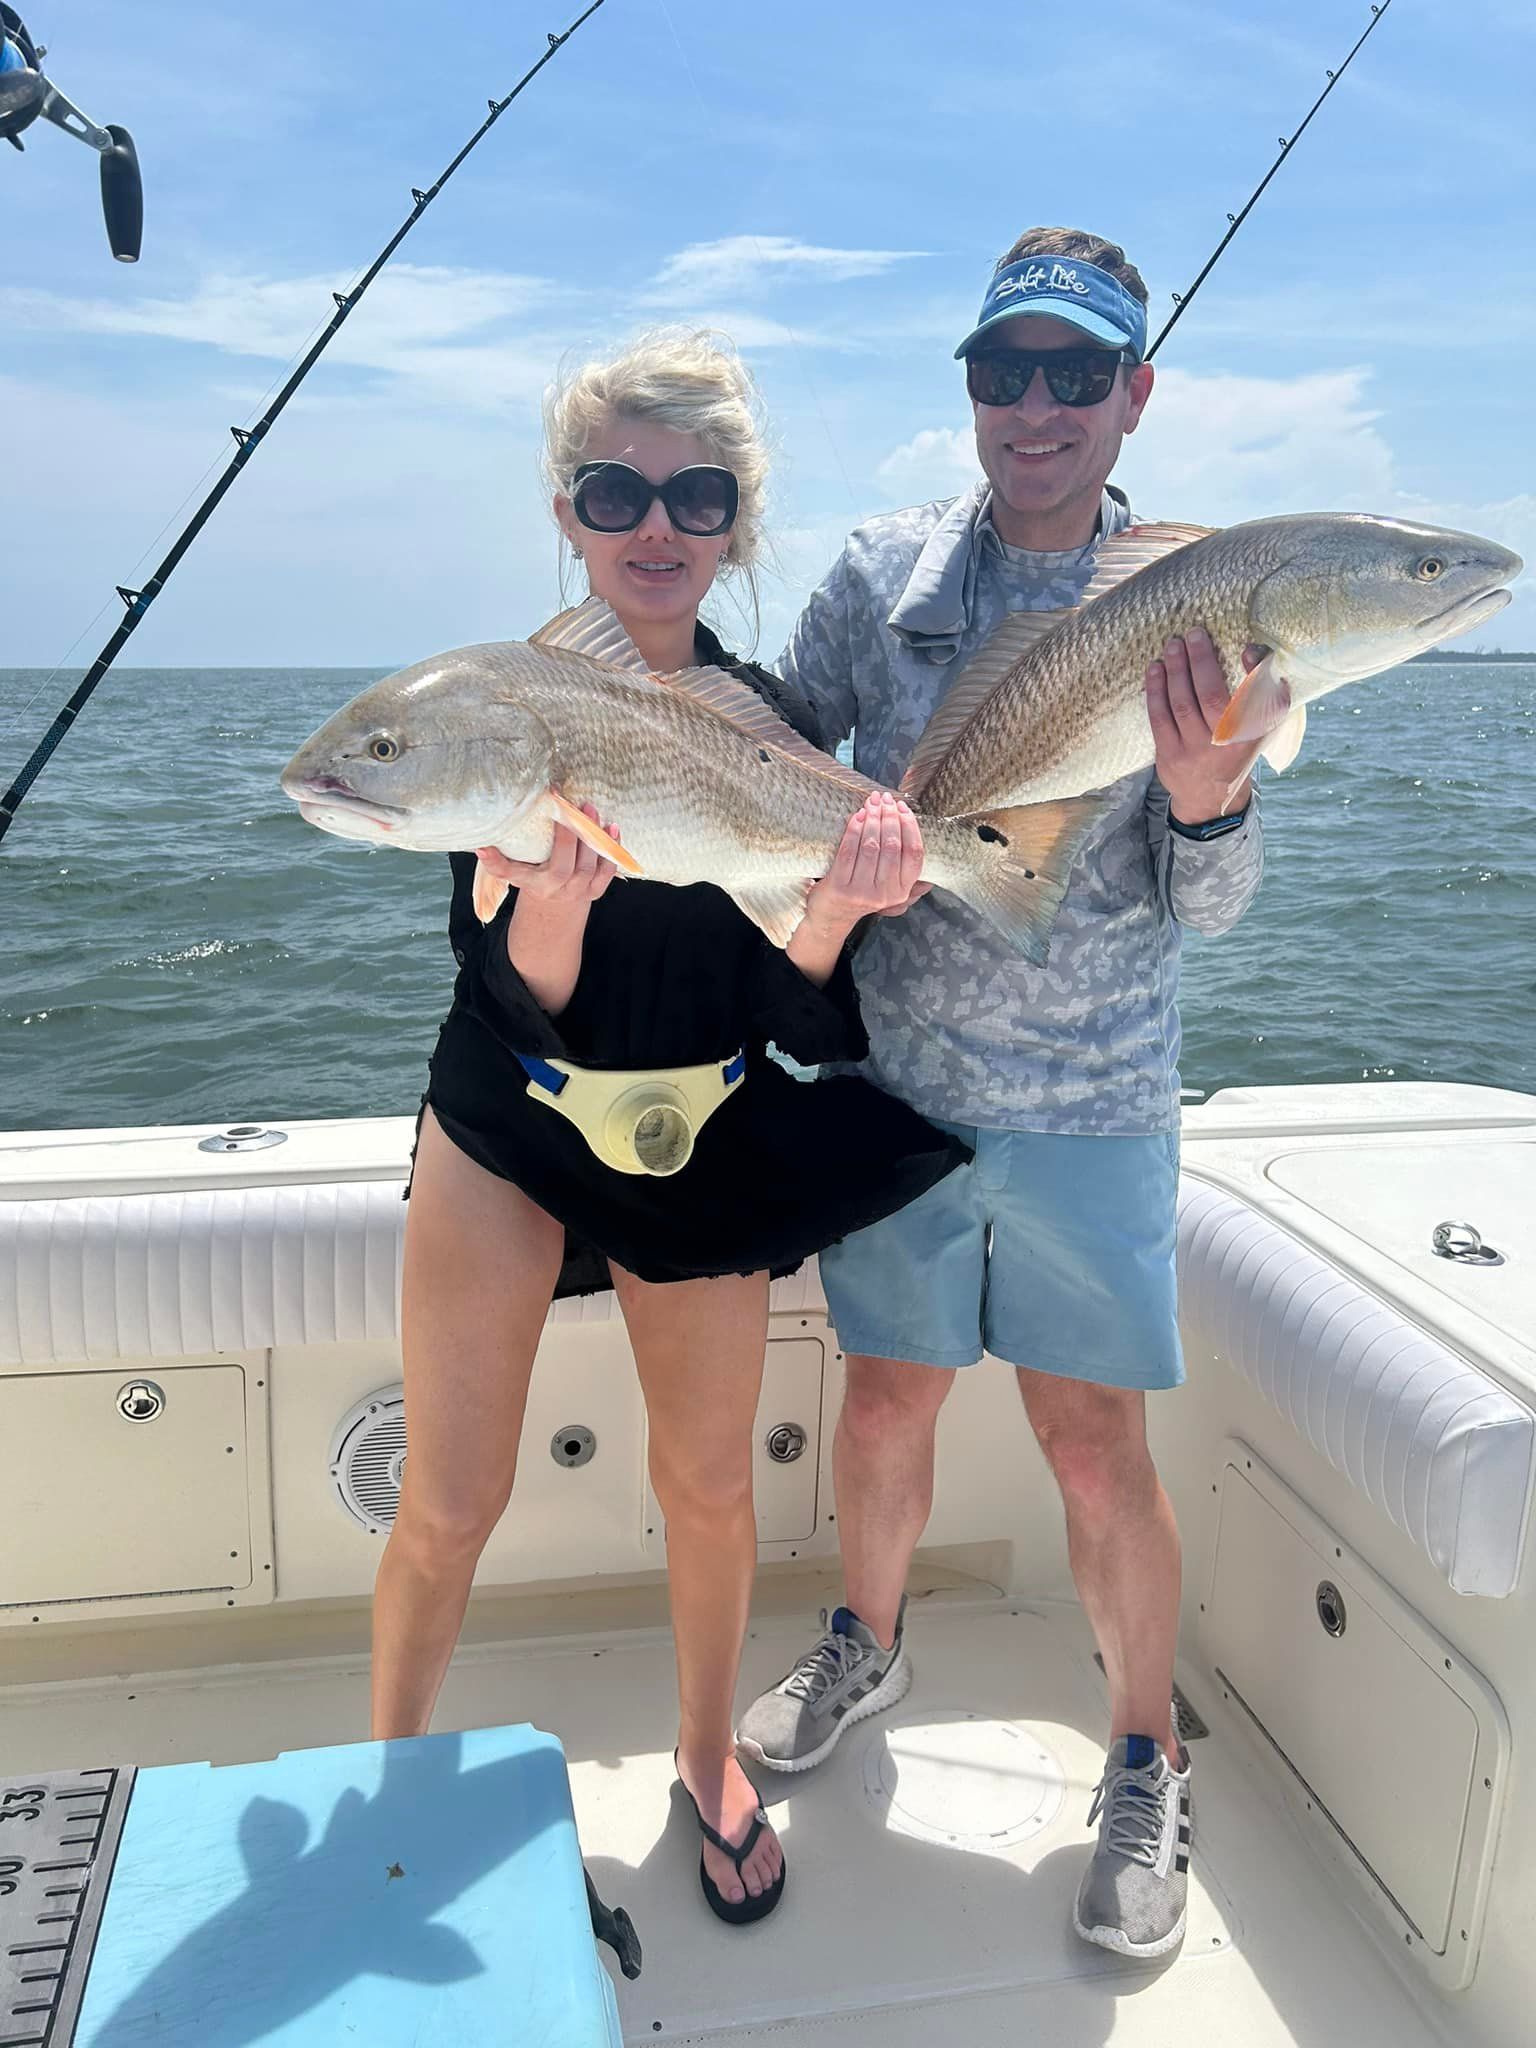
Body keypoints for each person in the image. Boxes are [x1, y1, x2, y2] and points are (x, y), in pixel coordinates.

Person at [370, 329, 968, 1926]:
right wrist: (547, 909)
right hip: (509, 1123)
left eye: (694, 494)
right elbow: (501, 991)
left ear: (734, 526)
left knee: (707, 1484)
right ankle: (389, 1781)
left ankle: (706, 1762)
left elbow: (783, 1007)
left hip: (693, 1132)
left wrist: (839, 910)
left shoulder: (771, 729)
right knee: (450, 1496)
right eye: (615, 489)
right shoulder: (496, 704)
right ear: (566, 513)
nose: (656, 522)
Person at [736, 228, 1267, 1959]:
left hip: (1098, 1094)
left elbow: (1224, 910)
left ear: (1135, 394)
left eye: (1074, 372)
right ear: (968, 386)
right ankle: (867, 1645)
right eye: (1002, 370)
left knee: (1089, 1442)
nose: (1034, 407)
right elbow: (770, 773)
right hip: (898, 1085)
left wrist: (1206, 796)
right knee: (885, 1400)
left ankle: (1144, 1752)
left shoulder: (1201, 600)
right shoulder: (878, 574)